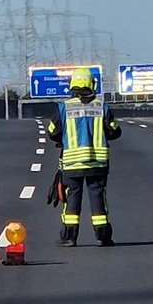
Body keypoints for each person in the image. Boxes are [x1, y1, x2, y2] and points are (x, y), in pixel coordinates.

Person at [46, 67, 121, 247]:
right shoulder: (101, 107)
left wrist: (63, 139)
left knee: (72, 199)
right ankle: (103, 237)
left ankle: (69, 237)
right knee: (98, 198)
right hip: (97, 163)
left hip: (72, 164)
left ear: (73, 84)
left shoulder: (63, 108)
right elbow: (114, 131)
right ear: (91, 84)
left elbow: (52, 132)